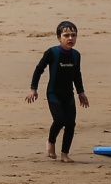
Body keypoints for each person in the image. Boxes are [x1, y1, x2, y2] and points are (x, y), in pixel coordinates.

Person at [26, 20, 88, 162]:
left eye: (73, 35)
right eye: (66, 35)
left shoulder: (76, 55)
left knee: (71, 124)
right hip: (54, 93)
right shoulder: (52, 53)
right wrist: (33, 89)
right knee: (60, 120)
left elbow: (77, 75)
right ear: (59, 38)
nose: (70, 38)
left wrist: (81, 92)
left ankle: (65, 154)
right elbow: (39, 69)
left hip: (68, 94)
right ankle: (50, 142)